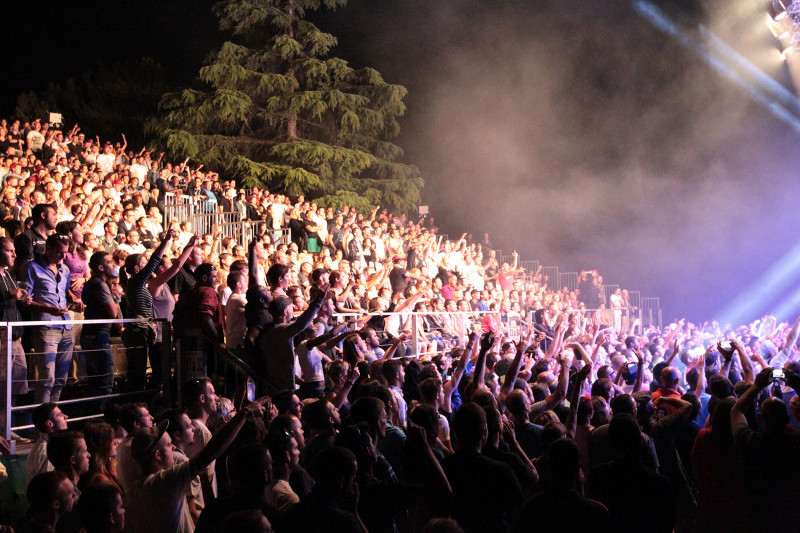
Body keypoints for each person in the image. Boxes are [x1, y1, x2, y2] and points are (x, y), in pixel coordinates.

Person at [123, 398, 267, 533]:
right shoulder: (164, 483)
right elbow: (210, 453)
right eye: (168, 445)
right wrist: (244, 413)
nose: (173, 448)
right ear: (157, 455)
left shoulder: (131, 495)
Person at [441, 402, 523, 533]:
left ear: (455, 433)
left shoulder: (443, 469)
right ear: (484, 433)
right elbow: (518, 513)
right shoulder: (501, 470)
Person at [22, 233, 84, 403]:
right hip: (46, 326)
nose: (63, 256)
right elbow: (24, 300)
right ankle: (41, 424)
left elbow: (64, 294)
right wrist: (49, 309)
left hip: (66, 326)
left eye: (65, 252)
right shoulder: (31, 267)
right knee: (47, 379)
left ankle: (53, 417)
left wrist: (76, 301)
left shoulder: (65, 269)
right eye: (59, 252)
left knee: (61, 379)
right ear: (47, 249)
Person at [122, 229, 177, 392]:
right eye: (144, 264)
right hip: (137, 333)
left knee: (141, 373)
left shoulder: (136, 283)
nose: (148, 267)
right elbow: (155, 260)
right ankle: (139, 404)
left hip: (142, 332)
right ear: (138, 268)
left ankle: (141, 403)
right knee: (138, 373)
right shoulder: (136, 282)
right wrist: (166, 241)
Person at [81, 251, 121, 398]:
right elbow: (113, 313)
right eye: (109, 262)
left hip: (90, 334)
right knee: (105, 382)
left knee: (94, 382)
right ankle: (101, 415)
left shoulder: (91, 283)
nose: (114, 265)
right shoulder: (100, 284)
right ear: (100, 267)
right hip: (98, 336)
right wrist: (116, 297)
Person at [0, 237, 28, 439]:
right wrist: (8, 295)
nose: (14, 255)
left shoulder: (8, 275)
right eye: (10, 251)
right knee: (2, 385)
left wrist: (24, 298)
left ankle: (8, 427)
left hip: (15, 337)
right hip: (1, 337)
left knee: (16, 384)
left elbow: (13, 299)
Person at [26, 403, 69, 485]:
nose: (66, 416)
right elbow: (49, 486)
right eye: (60, 415)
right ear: (49, 424)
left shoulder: (51, 445)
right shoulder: (46, 450)